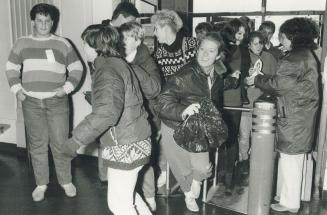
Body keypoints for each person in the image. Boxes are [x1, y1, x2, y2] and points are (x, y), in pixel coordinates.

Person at [63, 24, 155, 215]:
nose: (84, 48)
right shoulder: (118, 63)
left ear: (95, 46)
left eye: (85, 44)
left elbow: (107, 113)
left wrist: (75, 140)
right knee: (129, 197)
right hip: (136, 139)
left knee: (119, 204)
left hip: (125, 144)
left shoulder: (106, 70)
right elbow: (144, 91)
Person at [5, 3, 83, 202]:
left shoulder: (63, 43)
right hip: (30, 101)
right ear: (33, 22)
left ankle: (66, 181)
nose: (43, 24)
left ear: (53, 22)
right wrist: (17, 90)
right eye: (39, 20)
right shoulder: (21, 42)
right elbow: (11, 67)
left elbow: (76, 68)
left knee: (60, 143)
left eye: (47, 20)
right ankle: (41, 184)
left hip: (57, 102)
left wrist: (65, 89)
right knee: (37, 145)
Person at [155, 32, 239, 212]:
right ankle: (188, 195)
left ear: (218, 55)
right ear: (196, 50)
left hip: (199, 126)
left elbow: (214, 87)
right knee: (182, 167)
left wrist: (234, 80)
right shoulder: (184, 75)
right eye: (202, 49)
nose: (205, 55)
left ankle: (195, 182)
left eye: (211, 51)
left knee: (202, 168)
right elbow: (161, 102)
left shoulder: (218, 70)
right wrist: (182, 111)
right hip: (174, 125)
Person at [247, 17, 319, 213]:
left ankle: (290, 202)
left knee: (290, 160)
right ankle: (288, 196)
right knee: (294, 159)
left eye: (284, 37)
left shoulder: (293, 59)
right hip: (301, 115)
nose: (281, 41)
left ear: (294, 37)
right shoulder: (306, 55)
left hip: (293, 116)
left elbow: (278, 84)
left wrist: (257, 79)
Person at [151, 9, 198, 189]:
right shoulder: (159, 54)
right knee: (166, 142)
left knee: (189, 146)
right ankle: (165, 171)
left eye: (156, 29)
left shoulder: (192, 44)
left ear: (165, 27)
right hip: (172, 106)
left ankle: (191, 180)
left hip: (193, 103)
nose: (154, 34)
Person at [119, 21, 161, 212]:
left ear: (138, 40)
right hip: (126, 118)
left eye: (127, 38)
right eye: (121, 37)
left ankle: (150, 197)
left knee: (145, 160)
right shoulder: (119, 59)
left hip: (148, 117)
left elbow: (154, 90)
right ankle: (130, 198)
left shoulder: (147, 61)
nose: (122, 41)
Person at [238, 31, 277, 178]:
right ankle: (243, 159)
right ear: (249, 44)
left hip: (263, 104)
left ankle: (256, 160)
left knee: (259, 135)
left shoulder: (269, 58)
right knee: (244, 134)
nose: (258, 46)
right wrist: (245, 82)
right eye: (255, 43)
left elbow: (275, 81)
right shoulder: (243, 57)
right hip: (246, 103)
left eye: (260, 43)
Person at [220, 18, 251, 194]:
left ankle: (229, 177)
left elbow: (243, 71)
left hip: (234, 99)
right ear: (231, 32)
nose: (242, 36)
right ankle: (222, 174)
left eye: (243, 33)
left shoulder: (241, 49)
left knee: (231, 139)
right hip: (220, 98)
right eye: (239, 32)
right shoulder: (220, 47)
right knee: (222, 139)